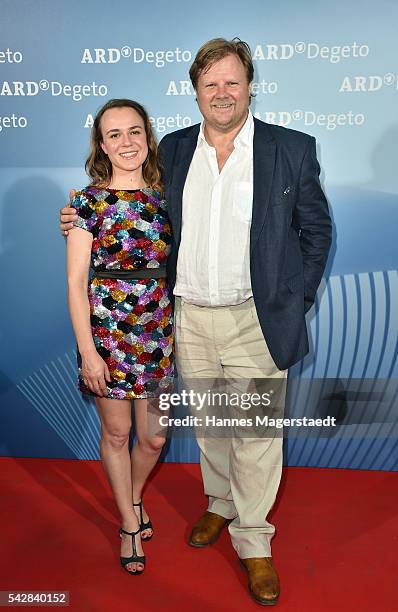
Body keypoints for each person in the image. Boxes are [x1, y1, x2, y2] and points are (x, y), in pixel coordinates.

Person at [61, 39, 332, 605]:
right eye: (211, 84)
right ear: (196, 92)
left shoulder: (292, 148)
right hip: (187, 320)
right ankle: (219, 504)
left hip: (257, 320)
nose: (222, 93)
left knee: (255, 433)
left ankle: (254, 542)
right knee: (210, 424)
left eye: (232, 82)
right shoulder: (177, 151)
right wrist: (76, 215)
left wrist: (293, 298)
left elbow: (316, 231)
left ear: (250, 85)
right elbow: (121, 207)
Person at [66, 98, 174, 575]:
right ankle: (129, 522)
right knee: (118, 431)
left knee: (153, 437)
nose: (126, 142)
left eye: (134, 132)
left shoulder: (168, 195)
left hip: (158, 334)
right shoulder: (86, 204)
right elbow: (74, 283)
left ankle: (130, 494)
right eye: (115, 134)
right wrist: (89, 354)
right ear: (102, 145)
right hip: (107, 333)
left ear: (147, 138)